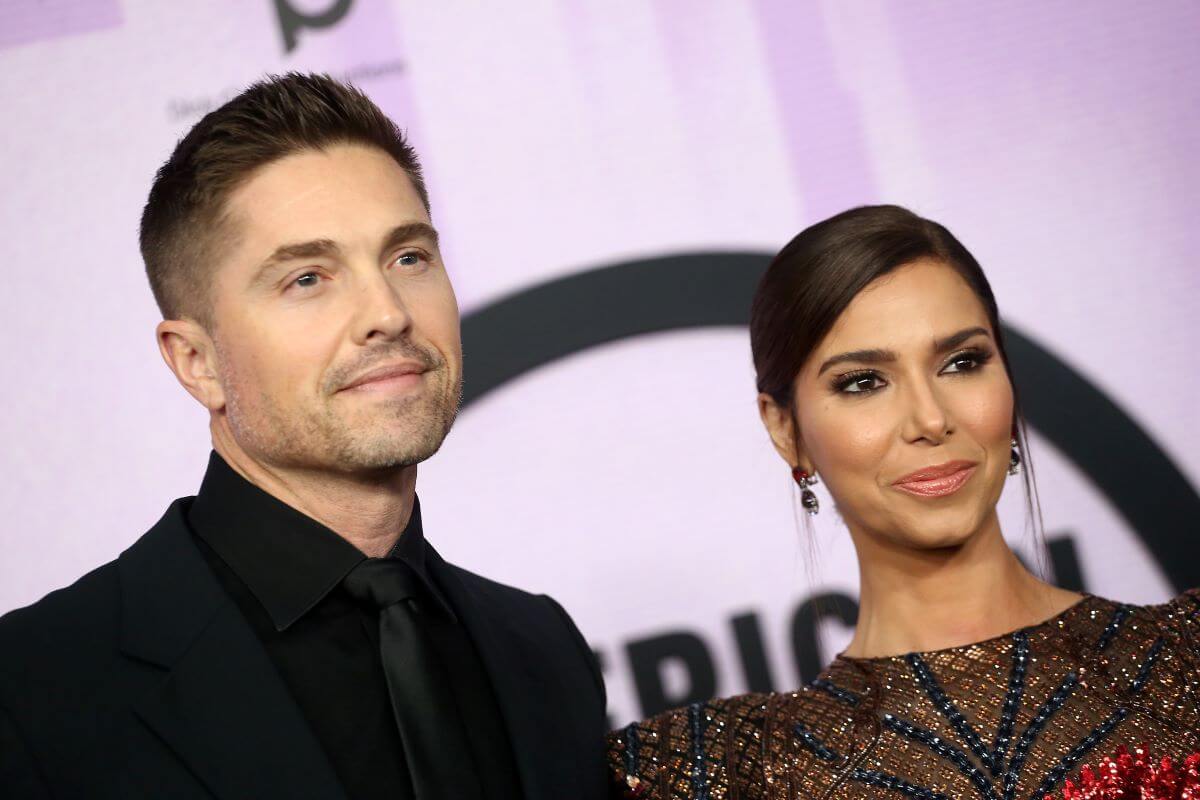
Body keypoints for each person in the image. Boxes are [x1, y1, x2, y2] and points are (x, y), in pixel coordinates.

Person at [0, 73, 606, 800]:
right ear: (198, 362)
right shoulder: (31, 690)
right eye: (308, 278)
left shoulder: (541, 648)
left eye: (407, 257)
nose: (386, 312)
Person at [607, 206, 1199, 799]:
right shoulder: (726, 774)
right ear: (786, 429)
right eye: (863, 381)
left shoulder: (1185, 655)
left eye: (962, 363)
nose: (931, 419)